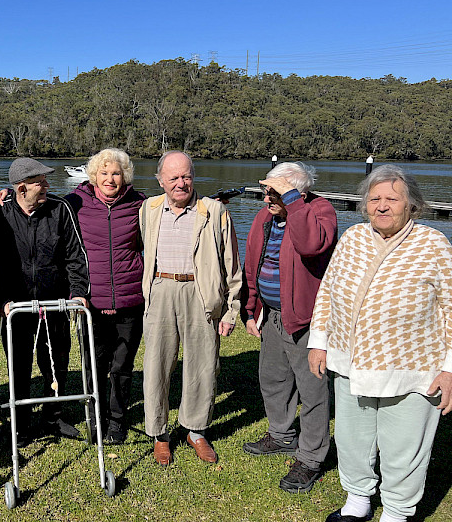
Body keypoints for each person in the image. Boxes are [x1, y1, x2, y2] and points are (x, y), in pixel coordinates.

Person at [308, 165, 452, 522]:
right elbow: (328, 290)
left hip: (411, 367)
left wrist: (449, 369)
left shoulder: (433, 244)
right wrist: (319, 341)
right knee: (351, 436)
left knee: (403, 446)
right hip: (350, 360)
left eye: (392, 198)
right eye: (375, 199)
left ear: (412, 206)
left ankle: (397, 512)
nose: (382, 206)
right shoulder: (353, 238)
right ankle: (357, 500)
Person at [139, 150, 241, 466]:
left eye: (186, 176)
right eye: (173, 178)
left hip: (201, 294)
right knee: (156, 366)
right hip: (161, 289)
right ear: (160, 181)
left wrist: (231, 309)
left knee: (202, 365)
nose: (181, 183)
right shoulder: (149, 208)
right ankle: (159, 434)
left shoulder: (215, 211)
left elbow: (232, 265)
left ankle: (196, 430)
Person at [240, 162, 337, 493]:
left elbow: (311, 245)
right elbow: (253, 263)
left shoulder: (319, 210)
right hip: (273, 315)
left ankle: (310, 458)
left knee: (312, 392)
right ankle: (281, 436)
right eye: (266, 190)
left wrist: (292, 201)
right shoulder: (266, 216)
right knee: (273, 380)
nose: (266, 197)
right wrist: (252, 308)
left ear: (298, 192)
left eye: (274, 191)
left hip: (306, 319)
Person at [0, 157, 90, 445]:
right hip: (16, 306)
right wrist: (1, 301)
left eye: (45, 181)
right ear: (21, 189)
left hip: (54, 302)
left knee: (56, 361)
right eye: (39, 182)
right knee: (18, 364)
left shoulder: (60, 209)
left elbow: (75, 256)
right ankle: (21, 422)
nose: (46, 186)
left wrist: (78, 292)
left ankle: (53, 417)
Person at [63, 148, 145, 444]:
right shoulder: (74, 202)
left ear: (125, 177)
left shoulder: (141, 204)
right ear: (93, 175)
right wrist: (7, 193)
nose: (110, 178)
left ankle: (118, 420)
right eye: (104, 172)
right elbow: (37, 202)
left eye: (116, 173)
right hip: (91, 301)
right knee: (93, 363)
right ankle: (94, 416)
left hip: (130, 299)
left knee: (122, 366)